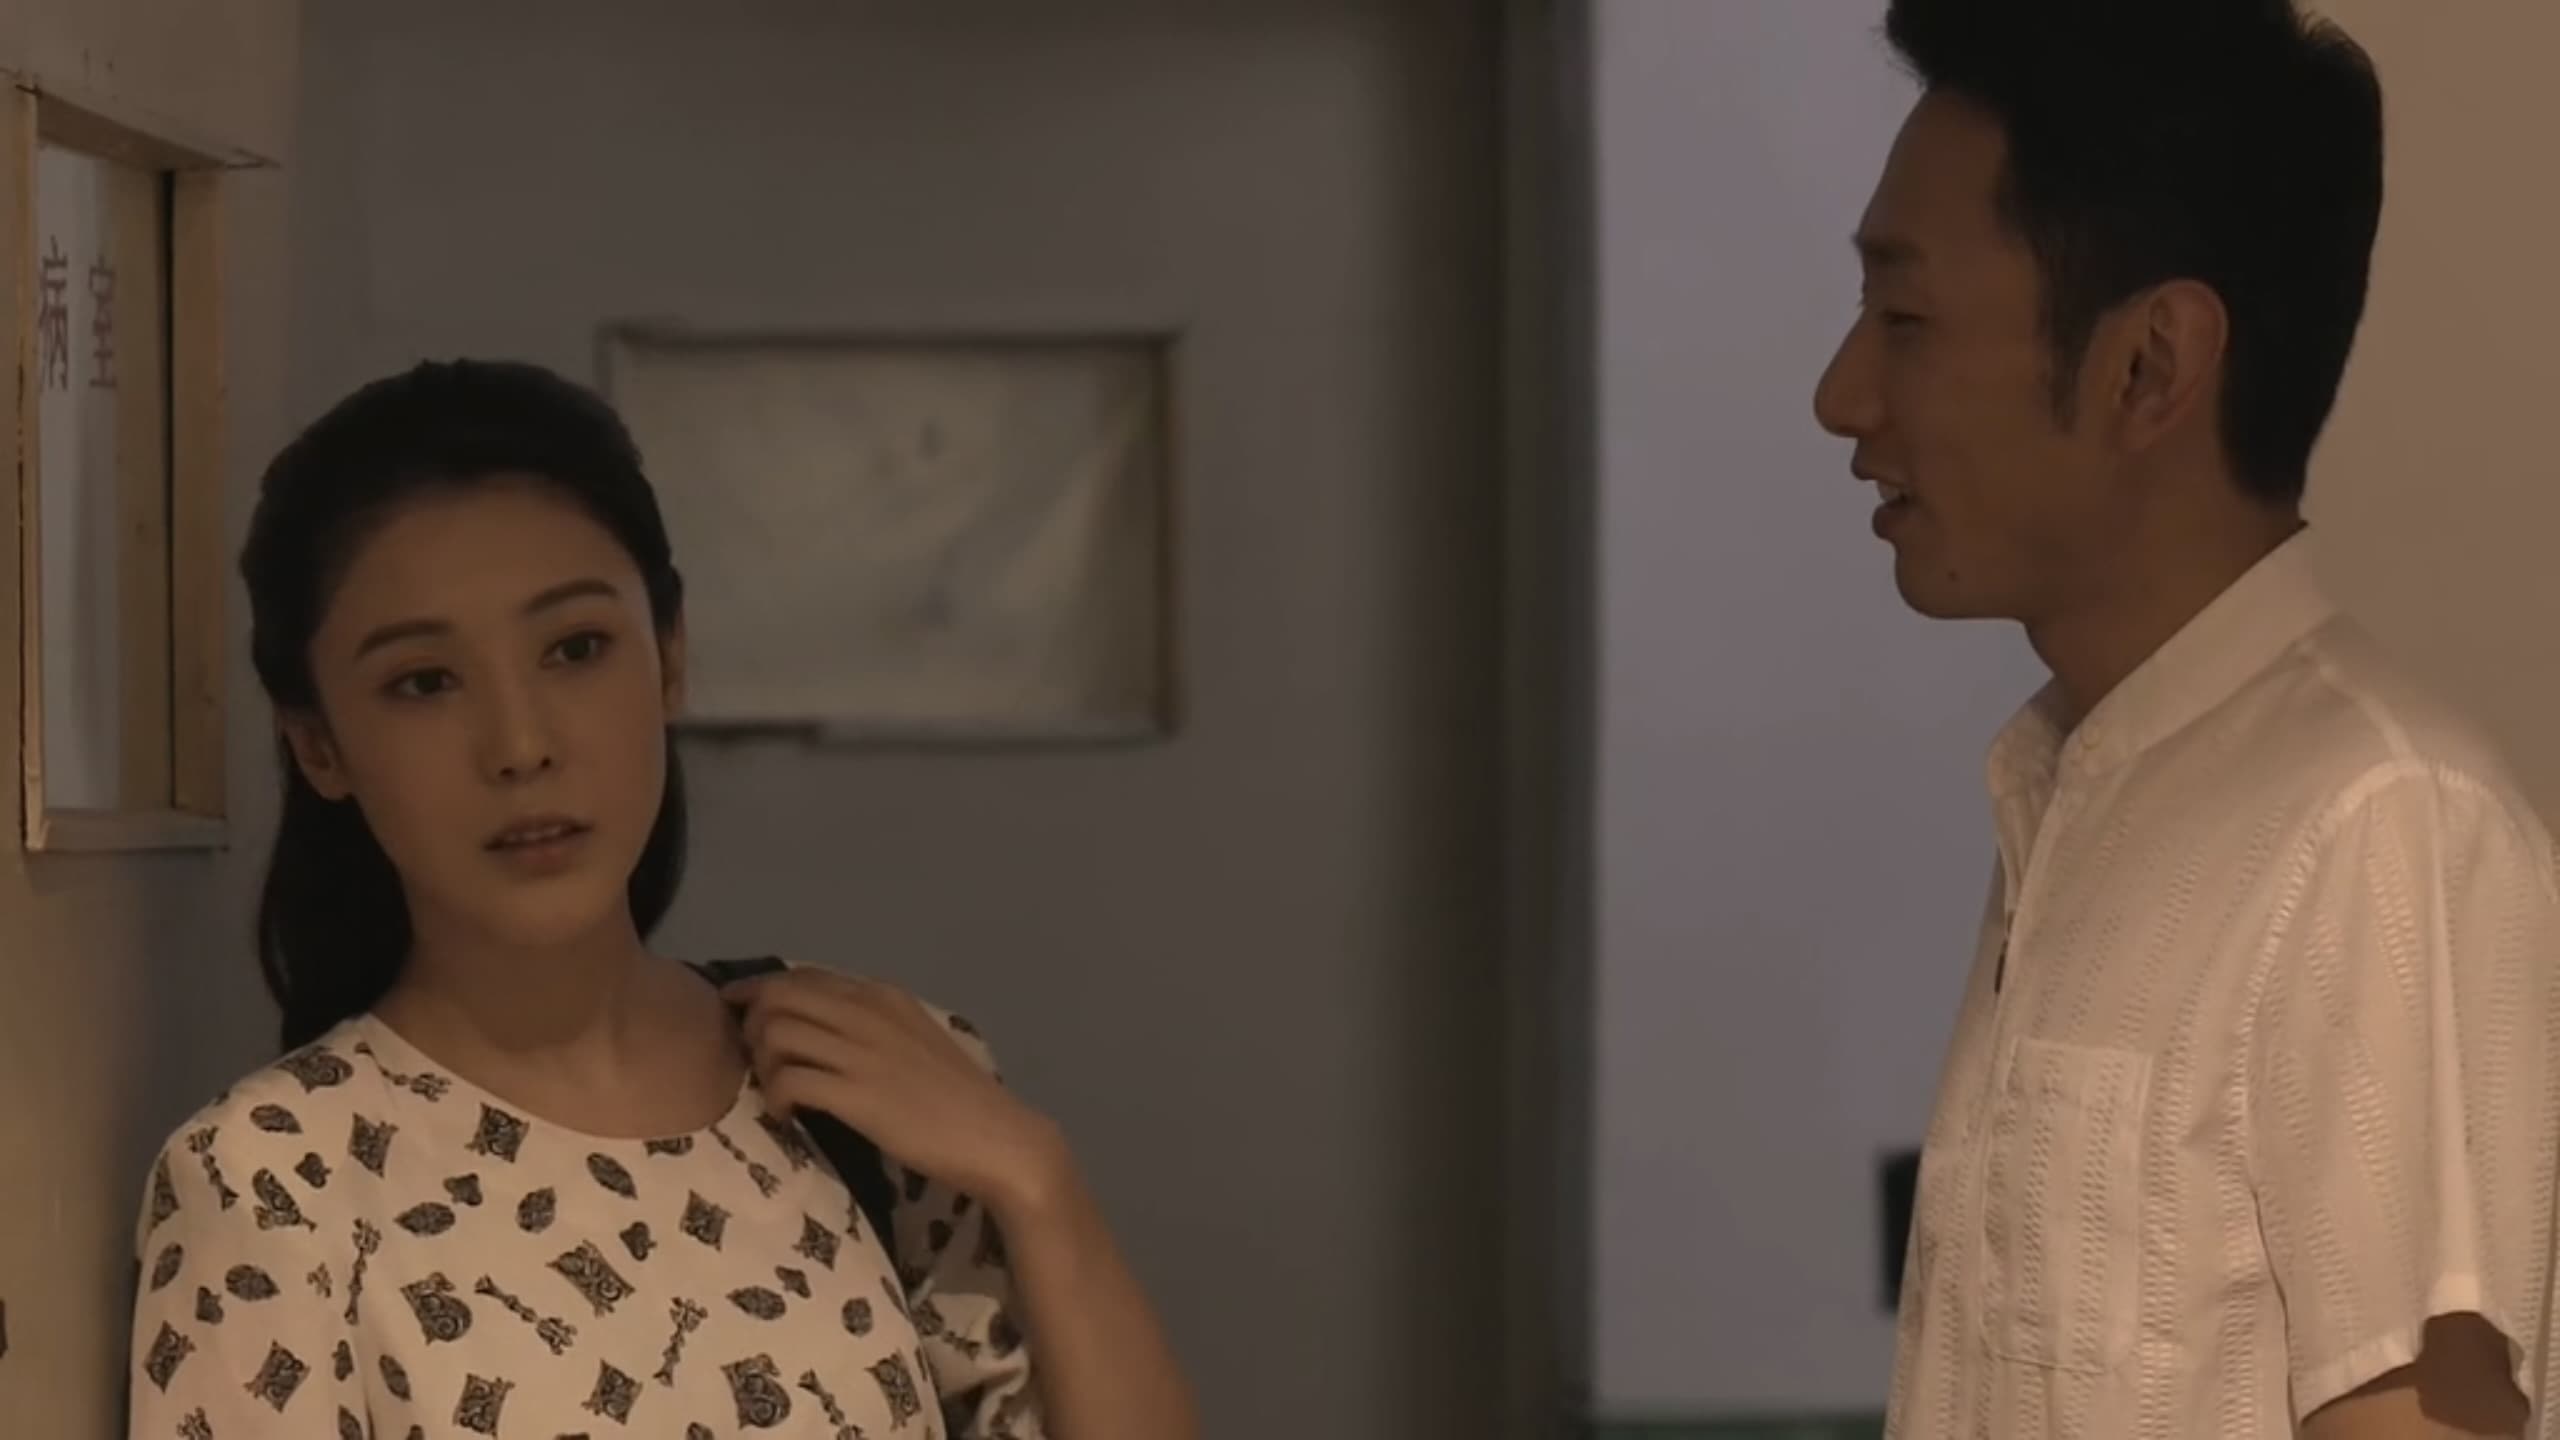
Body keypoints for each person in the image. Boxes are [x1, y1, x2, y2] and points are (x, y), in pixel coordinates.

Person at [124, 360, 1198, 1440]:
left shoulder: (875, 1087)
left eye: (575, 649)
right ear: (319, 744)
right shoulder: (271, 1182)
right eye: (424, 682)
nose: (521, 744)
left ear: (670, 656)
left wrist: (1039, 1182)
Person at [1814, 1, 2559, 1436]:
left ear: (2150, 363)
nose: (1841, 398)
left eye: (1904, 321)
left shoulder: (2379, 828)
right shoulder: (2076, 789)